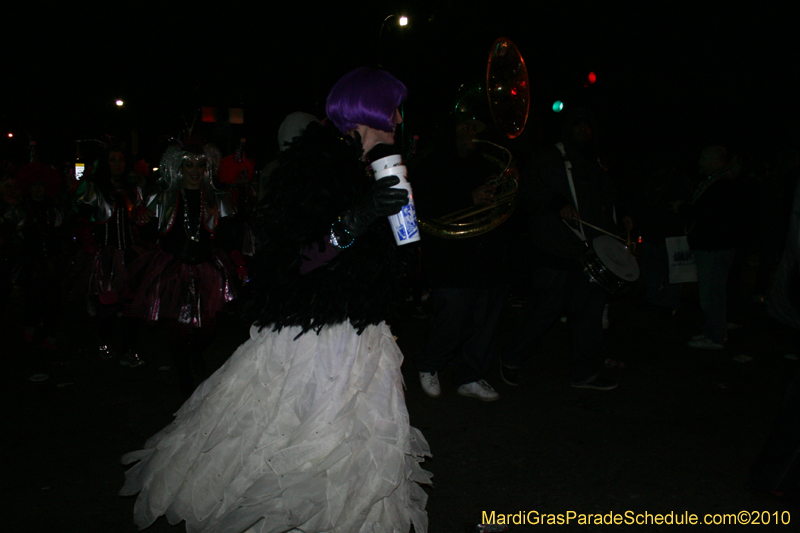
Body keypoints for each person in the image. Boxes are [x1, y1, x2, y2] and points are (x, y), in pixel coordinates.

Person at [120, 67, 432, 533]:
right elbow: (297, 261)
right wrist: (359, 216)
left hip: (364, 332)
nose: (397, 120)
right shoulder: (311, 168)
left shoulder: (382, 167)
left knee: (353, 448)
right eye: (392, 111)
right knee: (289, 438)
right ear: (366, 112)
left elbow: (396, 258)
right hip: (312, 335)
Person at [500, 109, 625, 390]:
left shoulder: (594, 162)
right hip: (555, 252)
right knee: (546, 311)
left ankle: (585, 373)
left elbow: (608, 197)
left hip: (590, 253)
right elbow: (526, 193)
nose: (584, 131)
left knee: (589, 314)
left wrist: (622, 217)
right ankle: (511, 358)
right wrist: (556, 204)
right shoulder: (549, 159)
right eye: (579, 125)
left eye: (589, 126)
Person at [126, 141, 243, 393]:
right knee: (178, 328)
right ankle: (184, 378)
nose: (195, 170)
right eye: (188, 165)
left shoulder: (217, 198)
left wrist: (236, 255)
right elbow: (148, 231)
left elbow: (227, 235)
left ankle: (196, 353)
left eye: (201, 165)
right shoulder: (162, 197)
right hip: (172, 268)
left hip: (207, 268)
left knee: (208, 329)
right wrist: (140, 216)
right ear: (178, 167)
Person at [412, 117, 507, 401]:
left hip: (486, 251)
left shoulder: (488, 164)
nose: (471, 132)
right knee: (452, 318)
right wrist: (468, 197)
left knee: (486, 318)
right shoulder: (431, 163)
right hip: (449, 255)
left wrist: (498, 191)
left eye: (475, 127)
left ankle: (471, 376)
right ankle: (429, 365)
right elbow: (424, 205)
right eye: (464, 126)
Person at [72, 147, 148, 365]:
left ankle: (129, 348)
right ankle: (104, 341)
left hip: (131, 252)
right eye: (112, 160)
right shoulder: (94, 188)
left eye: (121, 159)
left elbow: (140, 219)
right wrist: (85, 237)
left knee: (132, 305)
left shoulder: (133, 189)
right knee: (108, 304)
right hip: (105, 253)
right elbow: (82, 218)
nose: (117, 163)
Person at [684, 145, 742, 350]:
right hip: (712, 246)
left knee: (712, 293)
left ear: (716, 160)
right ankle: (713, 330)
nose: (700, 162)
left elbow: (713, 217)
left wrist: (686, 211)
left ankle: (716, 336)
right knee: (711, 292)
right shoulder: (716, 182)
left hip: (714, 248)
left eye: (704, 158)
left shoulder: (723, 184)